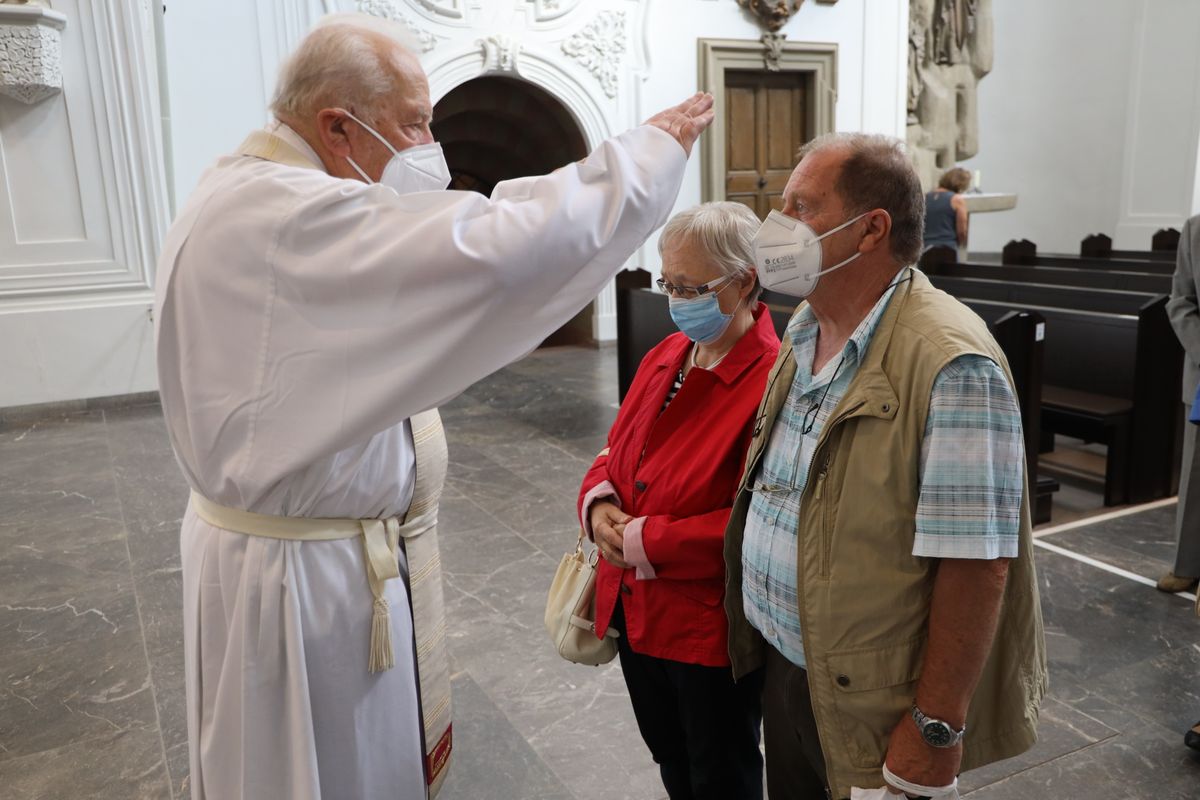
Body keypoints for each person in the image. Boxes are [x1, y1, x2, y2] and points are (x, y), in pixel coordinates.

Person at [153, 13, 714, 800]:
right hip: (303, 589)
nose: (429, 147)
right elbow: (492, 246)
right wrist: (643, 159)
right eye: (415, 123)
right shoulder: (292, 215)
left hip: (285, 560)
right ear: (337, 127)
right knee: (321, 770)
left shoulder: (237, 188)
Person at [722, 132, 1047, 800]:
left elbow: (976, 564)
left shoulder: (951, 362)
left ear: (870, 230)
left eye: (802, 206)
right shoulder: (805, 327)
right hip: (793, 668)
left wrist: (934, 727)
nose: (777, 223)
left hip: (879, 698)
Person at [577, 202, 780, 799]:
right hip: (633, 605)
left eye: (691, 288)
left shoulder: (773, 377)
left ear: (744, 281)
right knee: (671, 758)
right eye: (669, 284)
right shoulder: (667, 354)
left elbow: (763, 519)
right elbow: (614, 451)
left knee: (719, 774)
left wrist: (643, 539)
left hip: (703, 625)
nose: (675, 300)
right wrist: (598, 505)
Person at [1160, 213, 1200, 596]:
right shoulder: (1195, 230)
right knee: (1195, 474)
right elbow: (1180, 302)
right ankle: (1186, 566)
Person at [921, 166, 971, 260]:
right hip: (947, 248)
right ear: (961, 184)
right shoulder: (957, 200)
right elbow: (962, 230)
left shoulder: (925, 197)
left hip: (925, 249)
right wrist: (961, 242)